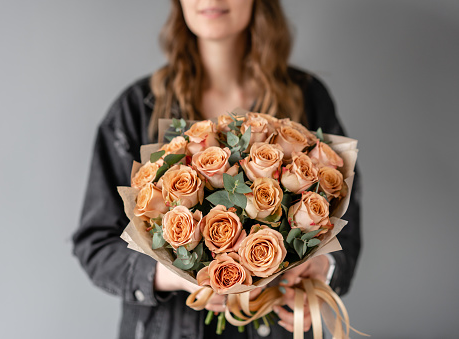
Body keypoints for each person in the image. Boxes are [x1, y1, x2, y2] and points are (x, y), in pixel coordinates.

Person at [72, 0, 361, 338]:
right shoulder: (137, 109)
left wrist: (318, 269)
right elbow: (95, 244)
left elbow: (347, 227)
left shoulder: (307, 98)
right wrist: (177, 275)